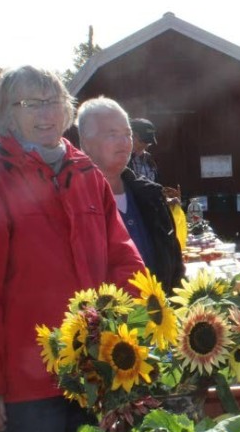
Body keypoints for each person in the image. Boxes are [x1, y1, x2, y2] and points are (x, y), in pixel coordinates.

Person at [0, 66, 144, 432]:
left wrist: (144, 327)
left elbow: (123, 259)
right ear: (6, 113)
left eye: (53, 101)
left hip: (94, 371)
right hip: (28, 385)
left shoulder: (88, 175)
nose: (45, 113)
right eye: (30, 104)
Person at [77, 97, 185, 291]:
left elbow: (174, 264)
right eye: (112, 134)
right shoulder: (73, 203)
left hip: (159, 316)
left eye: (128, 134)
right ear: (86, 142)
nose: (124, 142)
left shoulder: (151, 196)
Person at [128, 118, 159, 182]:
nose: (145, 145)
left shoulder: (150, 160)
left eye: (148, 142)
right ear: (131, 135)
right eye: (142, 141)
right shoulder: (121, 161)